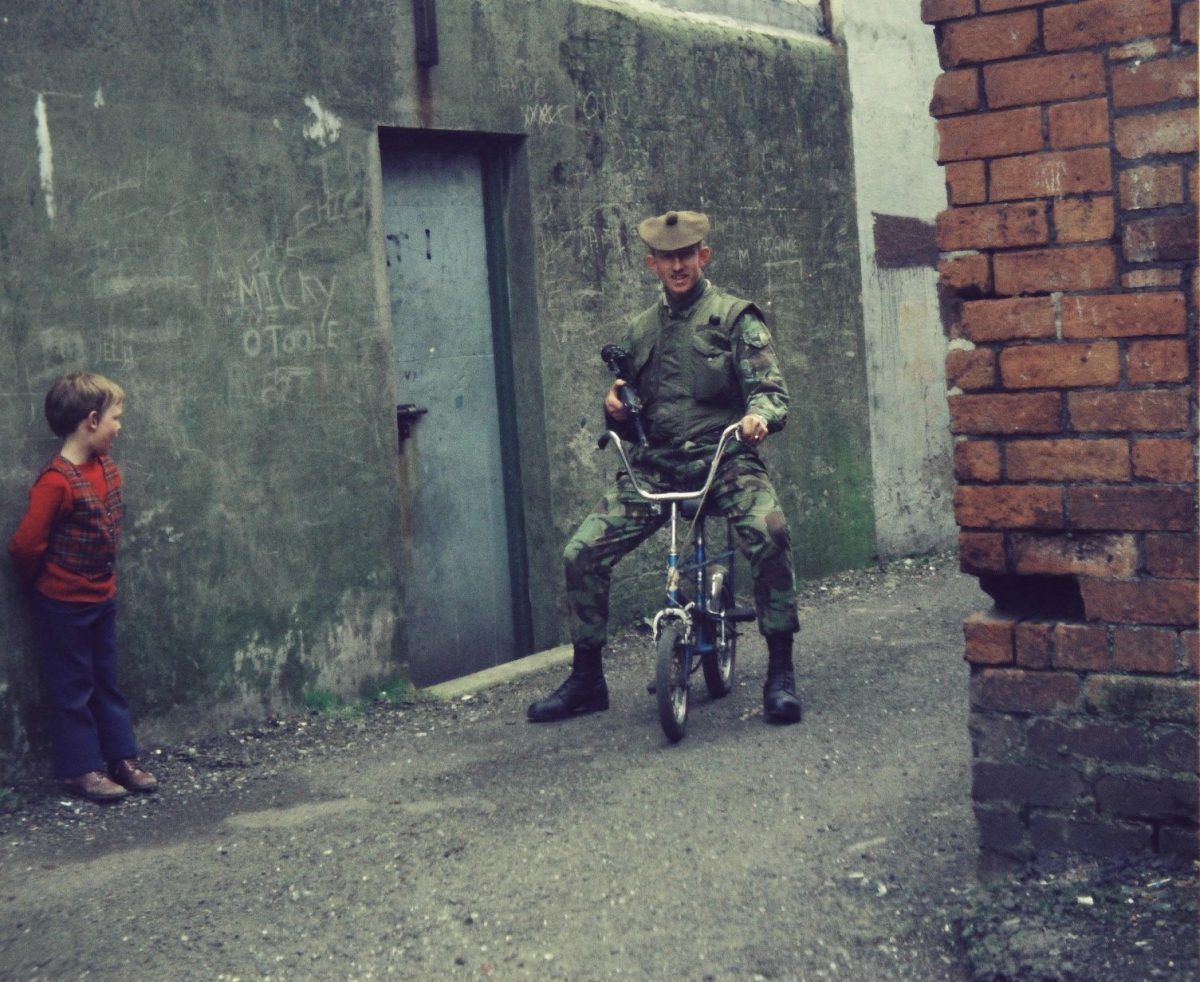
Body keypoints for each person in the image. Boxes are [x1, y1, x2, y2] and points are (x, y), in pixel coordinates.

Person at [528, 209, 802, 726]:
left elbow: (771, 391)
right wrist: (613, 410)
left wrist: (758, 418)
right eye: (667, 258)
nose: (678, 266)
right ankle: (587, 679)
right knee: (580, 553)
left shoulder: (735, 318)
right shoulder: (639, 332)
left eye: (687, 256)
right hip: (657, 470)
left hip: (725, 461)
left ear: (704, 256)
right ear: (652, 264)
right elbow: (633, 419)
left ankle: (780, 674)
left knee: (770, 533)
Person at [8, 371, 158, 802]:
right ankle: (80, 769)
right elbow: (24, 545)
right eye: (116, 417)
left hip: (101, 598)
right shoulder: (55, 482)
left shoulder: (106, 468)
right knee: (73, 688)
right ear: (92, 420)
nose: (120, 426)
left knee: (106, 681)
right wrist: (42, 585)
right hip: (62, 605)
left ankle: (121, 758)